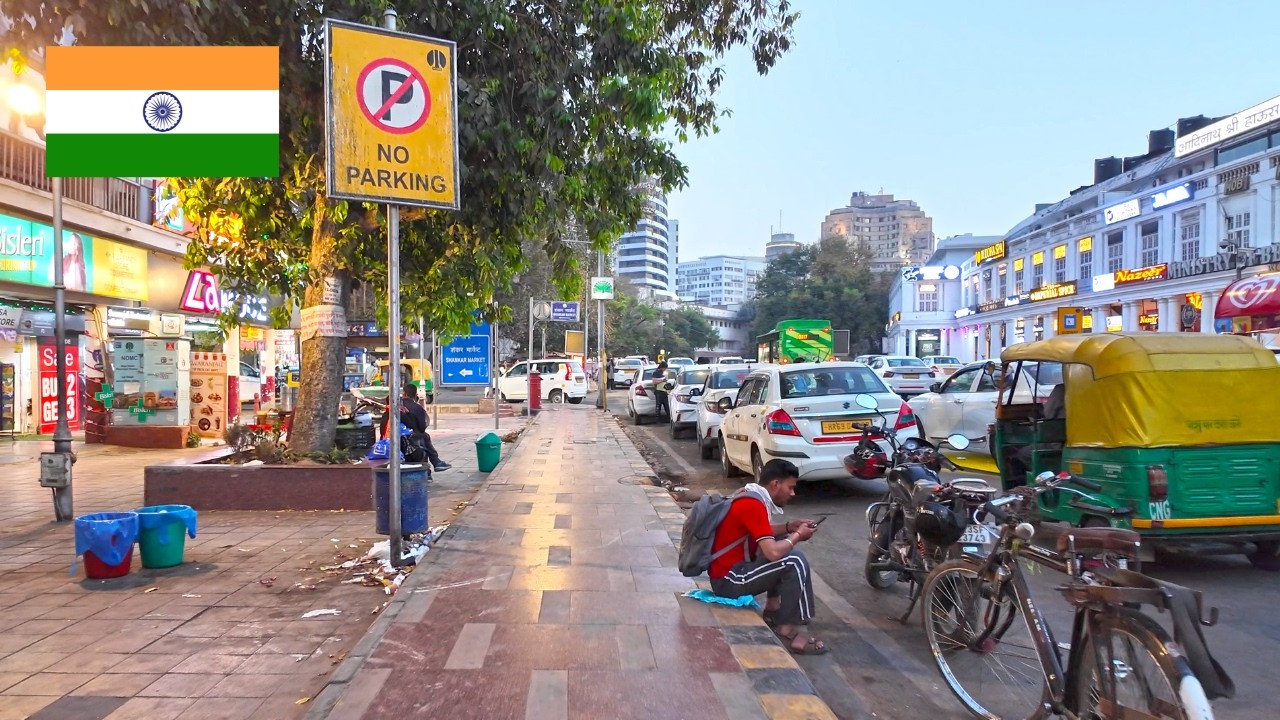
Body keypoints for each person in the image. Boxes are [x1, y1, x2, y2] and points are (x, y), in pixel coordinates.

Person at [709, 459, 827, 655]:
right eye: (790, 487)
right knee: (794, 561)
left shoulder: (749, 495)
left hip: (731, 572)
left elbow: (761, 530)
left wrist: (790, 527)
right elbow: (772, 552)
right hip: (729, 580)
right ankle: (785, 630)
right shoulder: (752, 504)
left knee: (781, 538)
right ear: (775, 484)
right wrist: (798, 536)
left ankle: (773, 609)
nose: (792, 493)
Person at [398, 383, 450, 471]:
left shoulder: (397, 406)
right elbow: (422, 426)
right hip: (410, 437)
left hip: (398, 435)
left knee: (424, 438)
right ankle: (435, 462)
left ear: (405, 394)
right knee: (424, 438)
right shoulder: (417, 408)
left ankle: (435, 463)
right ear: (415, 395)